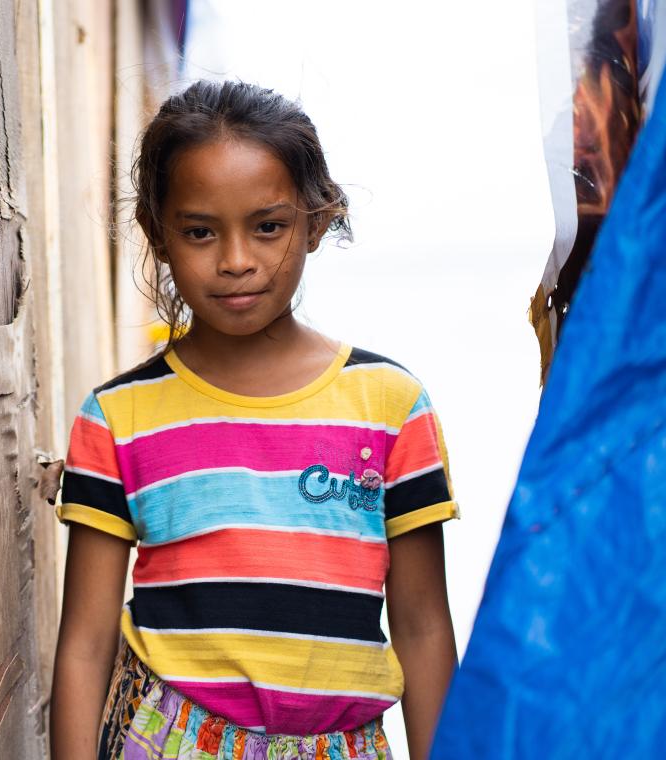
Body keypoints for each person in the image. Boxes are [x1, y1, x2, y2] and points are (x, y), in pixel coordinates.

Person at [50, 81, 459, 760]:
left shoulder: (390, 406)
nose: (236, 260)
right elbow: (85, 645)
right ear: (158, 234)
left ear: (317, 222)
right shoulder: (117, 419)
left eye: (267, 226)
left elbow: (421, 627)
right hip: (168, 740)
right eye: (200, 231)